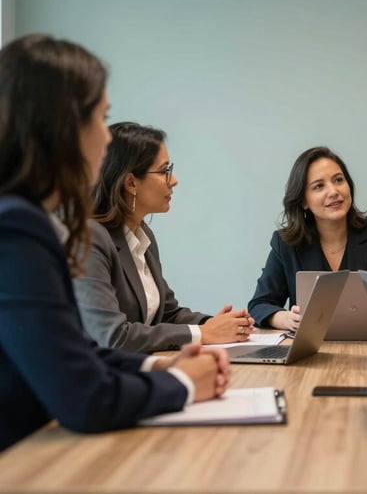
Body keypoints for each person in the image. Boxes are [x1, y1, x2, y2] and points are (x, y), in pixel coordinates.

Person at [0, 34, 229, 451]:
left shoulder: (28, 220)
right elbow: (85, 397)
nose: (106, 141)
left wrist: (156, 364)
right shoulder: (17, 229)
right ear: (64, 128)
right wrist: (180, 383)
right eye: (100, 120)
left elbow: (79, 349)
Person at [74, 122, 255, 353]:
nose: (174, 180)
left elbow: (167, 313)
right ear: (131, 183)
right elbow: (113, 336)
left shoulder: (142, 235)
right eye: (164, 171)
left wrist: (217, 325)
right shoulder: (90, 238)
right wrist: (204, 334)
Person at [248, 146, 367, 330]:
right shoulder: (286, 244)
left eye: (338, 180)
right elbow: (259, 305)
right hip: (308, 354)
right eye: (319, 186)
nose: (333, 191)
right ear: (304, 201)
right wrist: (284, 319)